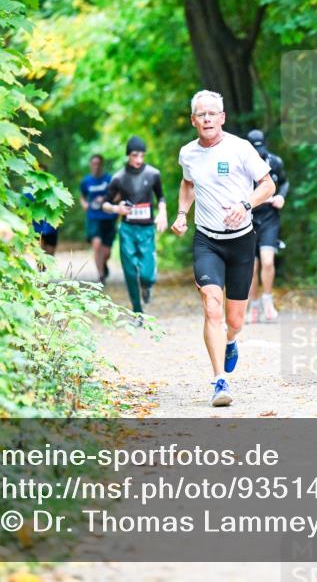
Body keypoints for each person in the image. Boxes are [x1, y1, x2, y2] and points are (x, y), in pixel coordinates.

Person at [172, 90, 276, 407]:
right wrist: (180, 214)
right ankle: (220, 381)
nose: (206, 119)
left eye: (212, 113)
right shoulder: (188, 153)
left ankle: (231, 340)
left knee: (235, 320)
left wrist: (246, 205)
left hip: (242, 241)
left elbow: (268, 185)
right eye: (200, 114)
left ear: (222, 118)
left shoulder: (240, 149)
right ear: (193, 120)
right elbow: (188, 183)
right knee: (211, 307)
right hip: (207, 240)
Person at [101, 136, 167, 323]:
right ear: (128, 155)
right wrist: (116, 209)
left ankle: (147, 286)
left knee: (147, 275)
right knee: (130, 272)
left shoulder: (153, 174)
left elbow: (161, 197)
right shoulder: (119, 178)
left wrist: (162, 213)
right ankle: (138, 312)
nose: (139, 159)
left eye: (142, 155)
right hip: (127, 229)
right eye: (135, 155)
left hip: (146, 229)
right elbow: (105, 204)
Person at [244, 129, 289, 324]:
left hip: (270, 217)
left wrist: (281, 197)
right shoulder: (241, 165)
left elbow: (285, 183)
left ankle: (267, 300)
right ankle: (253, 306)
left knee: (268, 261)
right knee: (252, 267)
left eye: (261, 150)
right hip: (248, 218)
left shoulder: (275, 162)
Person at [80, 154, 117, 284]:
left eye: (98, 163)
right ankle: (101, 276)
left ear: (102, 165)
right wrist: (84, 204)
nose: (96, 166)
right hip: (93, 217)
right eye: (94, 163)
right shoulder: (86, 181)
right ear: (91, 165)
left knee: (106, 252)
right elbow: (82, 197)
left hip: (109, 217)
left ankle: (104, 264)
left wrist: (106, 199)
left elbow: (118, 195)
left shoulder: (109, 179)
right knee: (97, 246)